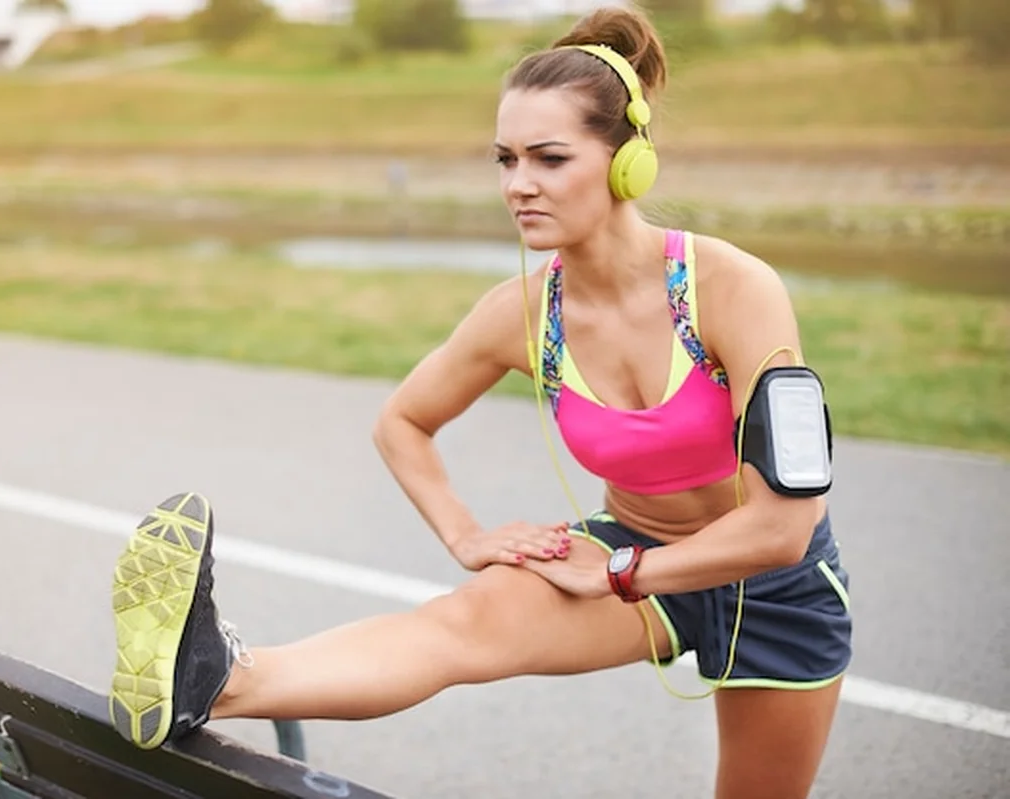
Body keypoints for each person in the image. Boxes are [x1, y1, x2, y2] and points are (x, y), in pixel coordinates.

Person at [106, 7, 853, 798]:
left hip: (774, 585)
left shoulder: (732, 289)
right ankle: (217, 677)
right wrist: (466, 536)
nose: (518, 184)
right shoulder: (523, 313)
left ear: (627, 162)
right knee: (457, 625)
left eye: (549, 158)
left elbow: (783, 527)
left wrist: (625, 573)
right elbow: (403, 421)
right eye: (505, 159)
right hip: (627, 553)